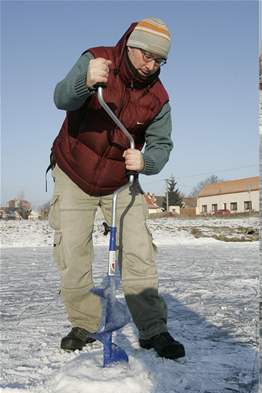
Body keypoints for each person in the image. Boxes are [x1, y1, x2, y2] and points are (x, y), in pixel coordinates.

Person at [48, 18, 184, 359]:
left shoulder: (158, 97)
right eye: (146, 57)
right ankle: (85, 323)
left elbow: (161, 145)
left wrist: (146, 162)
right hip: (74, 172)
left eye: (159, 61)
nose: (151, 66)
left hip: (121, 182)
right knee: (73, 252)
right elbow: (61, 98)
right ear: (130, 46)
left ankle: (153, 329)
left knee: (139, 252)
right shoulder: (97, 60)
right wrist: (84, 81)